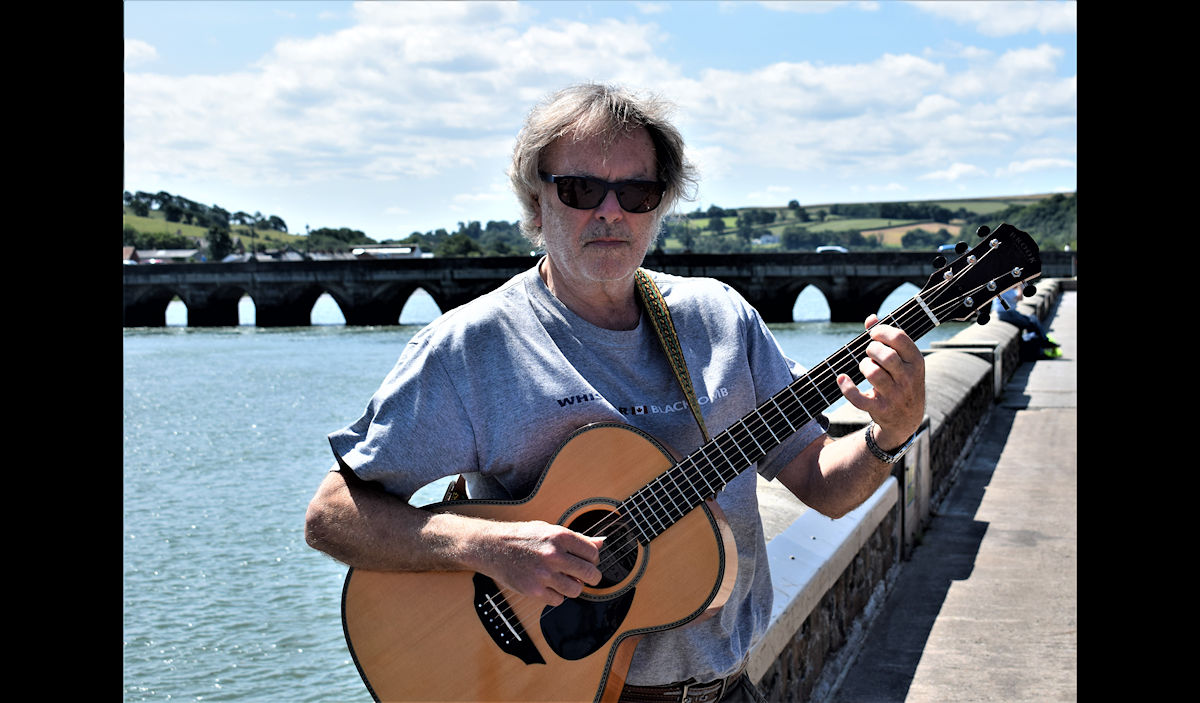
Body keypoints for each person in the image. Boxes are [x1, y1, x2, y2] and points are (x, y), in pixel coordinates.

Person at [304, 83, 926, 703]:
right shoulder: (473, 347)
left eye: (636, 192)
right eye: (580, 190)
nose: (611, 212)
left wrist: (889, 433)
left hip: (729, 688)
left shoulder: (720, 321)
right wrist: (490, 546)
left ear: (660, 206)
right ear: (535, 199)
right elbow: (332, 516)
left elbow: (822, 483)